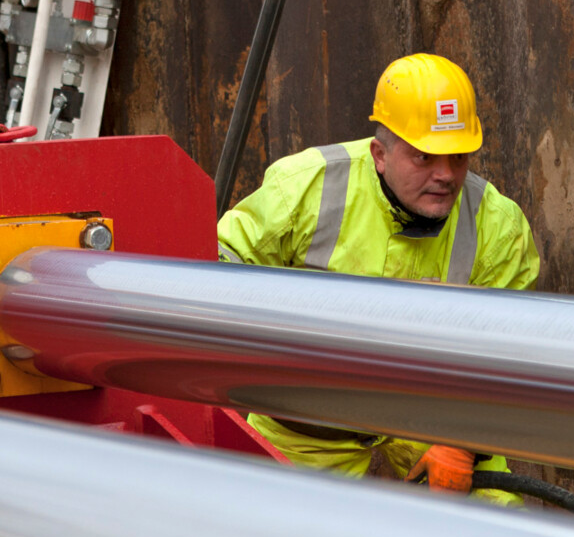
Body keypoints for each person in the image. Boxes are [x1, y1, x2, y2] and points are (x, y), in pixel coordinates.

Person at [216, 53, 540, 506]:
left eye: (458, 157)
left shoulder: (498, 225)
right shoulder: (305, 189)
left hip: (434, 417)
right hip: (310, 417)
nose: (446, 175)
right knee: (269, 526)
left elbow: (511, 354)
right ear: (380, 155)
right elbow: (215, 271)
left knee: (499, 528)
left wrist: (461, 444)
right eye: (424, 156)